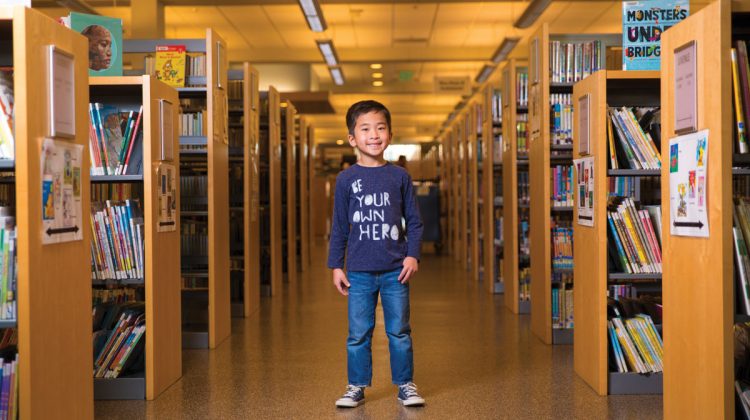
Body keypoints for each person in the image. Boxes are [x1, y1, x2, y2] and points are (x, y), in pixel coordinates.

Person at [328, 100, 425, 408]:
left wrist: (413, 255)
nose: (374, 135)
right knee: (358, 332)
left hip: (396, 270)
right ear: (352, 138)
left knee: (399, 330)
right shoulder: (345, 180)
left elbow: (415, 221)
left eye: (380, 128)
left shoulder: (400, 177)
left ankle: (405, 384)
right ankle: (356, 385)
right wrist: (336, 265)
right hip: (358, 270)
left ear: (390, 134)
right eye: (365, 129)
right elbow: (340, 226)